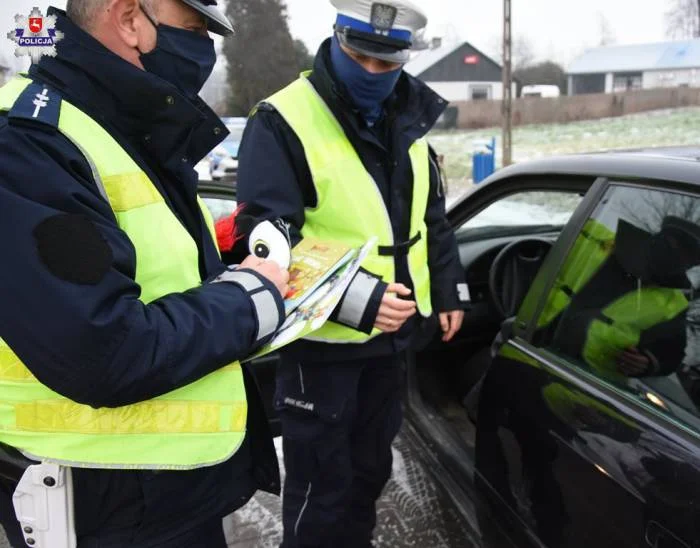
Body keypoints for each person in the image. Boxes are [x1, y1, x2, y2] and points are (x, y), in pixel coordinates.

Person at [0, 1, 290, 546]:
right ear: (130, 18)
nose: (204, 49)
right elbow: (103, 348)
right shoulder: (27, 143)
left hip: (164, 493)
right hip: (96, 502)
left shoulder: (117, 126)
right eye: (194, 30)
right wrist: (249, 299)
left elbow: (146, 265)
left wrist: (227, 259)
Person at [235, 1, 469, 545]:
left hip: (392, 343)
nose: (369, 72)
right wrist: (357, 300)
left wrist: (452, 289)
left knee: (368, 476)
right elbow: (265, 241)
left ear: (407, 59)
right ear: (337, 37)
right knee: (322, 490)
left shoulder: (408, 121)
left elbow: (429, 219)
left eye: (385, 64)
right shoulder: (281, 120)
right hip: (323, 348)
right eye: (358, 55)